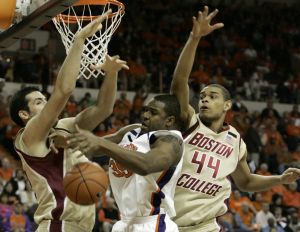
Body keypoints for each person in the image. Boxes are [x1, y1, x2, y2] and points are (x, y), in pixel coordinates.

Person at [170, 6, 300, 232]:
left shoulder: (235, 140)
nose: (204, 100)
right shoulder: (188, 121)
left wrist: (279, 179)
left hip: (206, 226)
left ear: (227, 105)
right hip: (169, 222)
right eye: (201, 97)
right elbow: (179, 81)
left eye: (212, 96)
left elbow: (246, 182)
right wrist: (194, 38)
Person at [9, 10, 129, 232]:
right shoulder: (29, 136)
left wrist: (111, 74)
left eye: (45, 99)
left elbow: (104, 109)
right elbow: (63, 91)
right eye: (38, 102)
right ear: (24, 115)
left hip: (80, 226)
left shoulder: (64, 126)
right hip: (57, 225)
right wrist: (79, 40)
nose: (46, 104)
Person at [65, 94, 185, 231]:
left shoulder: (171, 141)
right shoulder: (132, 131)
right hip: (124, 222)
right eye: (145, 110)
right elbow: (95, 147)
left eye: (153, 112)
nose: (145, 115)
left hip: (152, 224)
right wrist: (64, 142)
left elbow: (147, 164)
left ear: (169, 121)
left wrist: (99, 142)